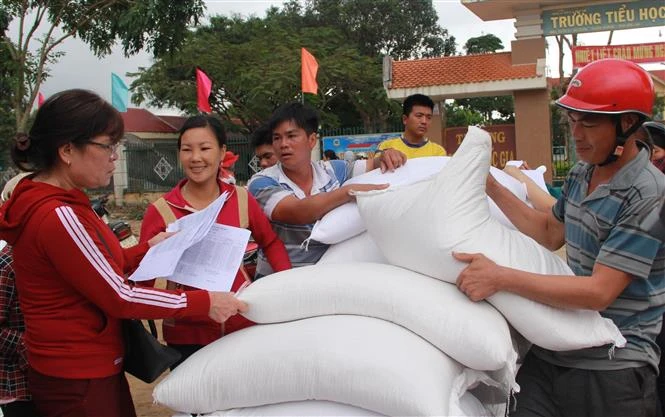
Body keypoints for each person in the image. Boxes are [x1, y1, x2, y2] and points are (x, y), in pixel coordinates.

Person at [0, 89, 247, 417]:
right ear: (68, 150)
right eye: (107, 146)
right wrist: (207, 301)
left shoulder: (64, 202)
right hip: (78, 373)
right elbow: (119, 295)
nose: (115, 156)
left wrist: (149, 248)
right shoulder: (58, 215)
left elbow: (102, 265)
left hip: (81, 367)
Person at [455, 59, 665, 417]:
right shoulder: (583, 174)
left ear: (627, 124)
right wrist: (488, 185)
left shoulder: (648, 193)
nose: (576, 134)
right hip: (555, 350)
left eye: (590, 123)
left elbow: (600, 291)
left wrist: (500, 278)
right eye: (572, 121)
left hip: (614, 366)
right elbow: (550, 233)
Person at [140, 115, 291, 365]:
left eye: (205, 148)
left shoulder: (241, 199)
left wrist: (286, 281)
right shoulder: (161, 211)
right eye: (187, 150)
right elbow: (142, 283)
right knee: (195, 403)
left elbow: (271, 242)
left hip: (242, 323)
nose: (196, 158)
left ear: (222, 152)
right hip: (188, 334)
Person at [248, 102, 406, 276]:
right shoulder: (262, 182)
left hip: (327, 281)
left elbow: (374, 165)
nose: (283, 144)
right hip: (276, 283)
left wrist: (387, 154)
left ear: (311, 140)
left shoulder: (334, 170)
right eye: (277, 138)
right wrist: (347, 192)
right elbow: (298, 211)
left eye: (291, 136)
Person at [377, 93, 447, 158]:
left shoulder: (438, 152)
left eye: (428, 117)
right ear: (405, 119)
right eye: (419, 116)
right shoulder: (386, 147)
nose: (424, 121)